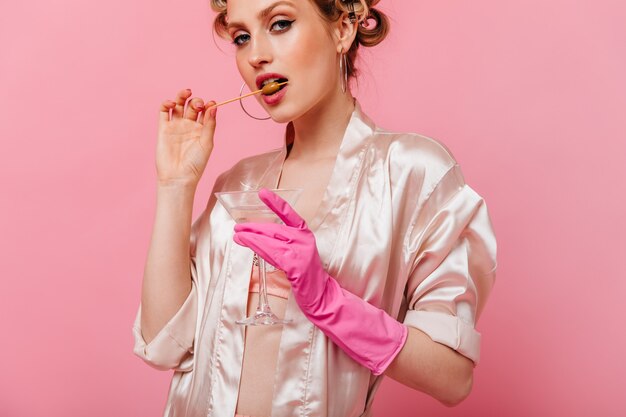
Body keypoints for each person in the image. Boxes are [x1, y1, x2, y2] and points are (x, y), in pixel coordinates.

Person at [132, 0, 498, 416]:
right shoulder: (237, 185)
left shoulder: (413, 173)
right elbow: (163, 344)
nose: (256, 55)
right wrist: (175, 185)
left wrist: (327, 300)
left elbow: (453, 377)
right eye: (242, 36)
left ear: (343, 28)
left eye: (281, 23)